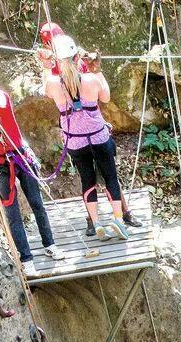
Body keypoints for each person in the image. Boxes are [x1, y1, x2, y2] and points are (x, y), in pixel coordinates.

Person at [38, 38, 139, 239]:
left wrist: (47, 66)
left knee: (87, 180)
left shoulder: (52, 84)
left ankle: (96, 221)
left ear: (58, 61)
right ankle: (118, 220)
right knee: (110, 177)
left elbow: (46, 87)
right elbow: (106, 98)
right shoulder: (91, 79)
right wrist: (96, 68)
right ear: (77, 58)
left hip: (75, 140)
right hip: (98, 136)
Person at [0, 63, 57, 264]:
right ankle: (26, 258)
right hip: (1, 165)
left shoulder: (2, 99)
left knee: (37, 202)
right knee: (12, 213)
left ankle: (49, 244)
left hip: (20, 157)